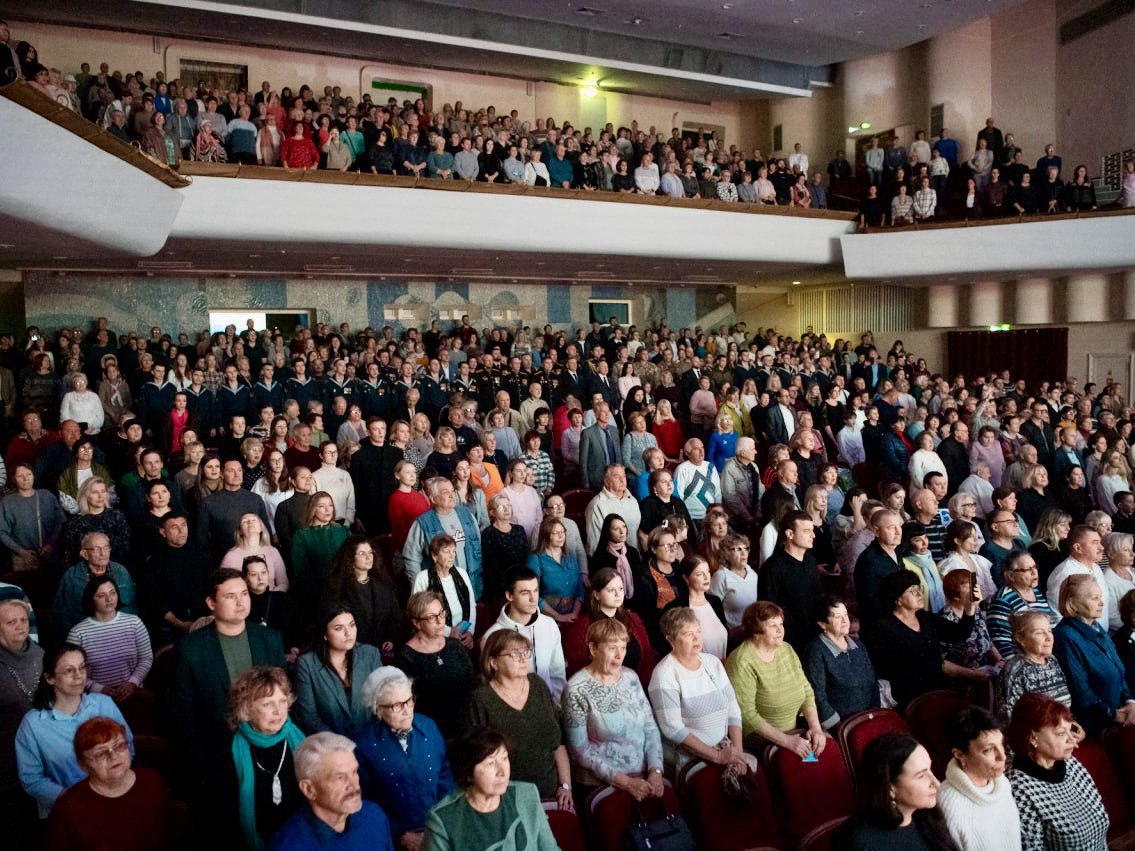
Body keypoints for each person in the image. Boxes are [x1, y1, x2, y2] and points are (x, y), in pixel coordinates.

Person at [172, 569, 285, 790]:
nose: (241, 602)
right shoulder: (190, 649)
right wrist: (204, 762)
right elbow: (182, 715)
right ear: (211, 603)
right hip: (219, 755)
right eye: (230, 596)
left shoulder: (270, 639)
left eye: (244, 593)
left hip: (269, 745)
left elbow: (281, 697)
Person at [15, 643, 133, 819]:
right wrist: (75, 800)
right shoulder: (32, 724)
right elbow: (31, 779)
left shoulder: (104, 704)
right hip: (66, 809)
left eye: (82, 667)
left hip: (113, 797)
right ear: (49, 678)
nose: (79, 676)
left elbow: (128, 748)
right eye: (69, 671)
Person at [353, 667, 457, 848]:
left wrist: (443, 823)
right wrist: (400, 834)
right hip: (396, 839)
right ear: (378, 710)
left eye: (409, 701)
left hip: (440, 830)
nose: (407, 710)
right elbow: (364, 802)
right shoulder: (364, 745)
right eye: (396, 705)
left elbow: (445, 776)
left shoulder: (428, 726)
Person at [562, 618, 665, 800]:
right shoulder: (576, 688)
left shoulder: (631, 677)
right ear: (593, 649)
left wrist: (655, 770)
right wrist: (626, 783)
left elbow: (650, 727)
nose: (619, 655)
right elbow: (580, 750)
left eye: (623, 647)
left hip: (644, 779)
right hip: (602, 787)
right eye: (612, 648)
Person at [467, 631, 573, 806]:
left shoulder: (538, 685)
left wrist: (565, 785)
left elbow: (557, 742)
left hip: (551, 793)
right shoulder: (481, 699)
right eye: (514, 654)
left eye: (526, 652)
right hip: (507, 800)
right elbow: (476, 759)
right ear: (493, 662)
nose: (523, 658)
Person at [44, 717, 173, 851]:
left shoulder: (152, 781)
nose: (114, 756)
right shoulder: (69, 807)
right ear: (84, 765)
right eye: (100, 753)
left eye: (119, 746)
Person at [648, 607, 750, 774]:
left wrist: (738, 754)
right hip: (692, 758)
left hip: (725, 747)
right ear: (672, 640)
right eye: (688, 634)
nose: (697, 638)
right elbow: (673, 729)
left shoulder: (712, 663)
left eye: (698, 631)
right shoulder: (664, 674)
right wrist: (717, 757)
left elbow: (733, 711)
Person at [421, 726, 558, 850]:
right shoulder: (444, 820)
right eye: (490, 763)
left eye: (504, 758)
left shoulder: (526, 794)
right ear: (468, 772)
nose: (502, 772)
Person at [1005, 693, 1109, 850]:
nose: (1072, 740)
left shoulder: (1070, 763)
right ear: (1032, 737)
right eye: (1061, 733)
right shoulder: (1019, 789)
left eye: (1070, 730)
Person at [870, 570, 987, 709]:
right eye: (913, 591)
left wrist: (970, 608)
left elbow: (958, 634)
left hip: (937, 691)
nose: (920, 594)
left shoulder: (924, 617)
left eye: (919, 589)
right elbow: (884, 670)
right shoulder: (883, 629)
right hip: (908, 700)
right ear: (898, 599)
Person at [726, 600, 826, 755]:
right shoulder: (741, 661)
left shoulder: (786, 649)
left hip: (796, 732)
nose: (781, 630)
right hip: (765, 742)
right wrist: (788, 741)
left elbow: (807, 691)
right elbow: (746, 715)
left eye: (781, 624)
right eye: (773, 626)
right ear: (756, 633)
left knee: (823, 757)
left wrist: (816, 728)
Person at [266, 732, 395, 850]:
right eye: (340, 778)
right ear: (309, 789)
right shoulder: (286, 846)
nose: (354, 784)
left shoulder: (375, 817)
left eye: (354, 772)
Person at [227, 666, 307, 849]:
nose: (278, 711)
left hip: (302, 838)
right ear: (246, 709)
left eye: (282, 701)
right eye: (267, 704)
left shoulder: (303, 739)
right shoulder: (227, 754)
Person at [835, 733, 959, 850]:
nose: (936, 783)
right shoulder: (860, 842)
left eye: (930, 770)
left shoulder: (928, 816)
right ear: (889, 788)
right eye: (921, 776)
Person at [1052, 574, 1135, 737]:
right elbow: (1080, 691)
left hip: (1120, 716)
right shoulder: (1065, 637)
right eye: (1094, 598)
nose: (1101, 603)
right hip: (1097, 727)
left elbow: (1119, 672)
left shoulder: (1097, 628)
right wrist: (1116, 715)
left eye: (1100, 597)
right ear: (1073, 603)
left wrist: (1130, 701)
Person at [935, 707, 1021, 850]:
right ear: (960, 755)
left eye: (1001, 744)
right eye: (989, 749)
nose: (1003, 756)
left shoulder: (1002, 783)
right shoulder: (947, 805)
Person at [395, 592, 476, 738]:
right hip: (430, 732)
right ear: (417, 623)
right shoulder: (406, 658)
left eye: (441, 613)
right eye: (432, 617)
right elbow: (409, 704)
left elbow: (472, 684)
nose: (440, 621)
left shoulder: (455, 646)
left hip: (465, 726)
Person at [294, 608, 383, 738]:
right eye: (339, 628)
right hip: (329, 747)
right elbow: (308, 718)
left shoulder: (370, 654)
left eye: (352, 625)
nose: (349, 633)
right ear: (325, 634)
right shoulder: (306, 664)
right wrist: (341, 745)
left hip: (369, 742)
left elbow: (381, 703)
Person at [66, 576, 152, 701]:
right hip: (95, 698)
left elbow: (146, 658)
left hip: (132, 693)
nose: (109, 599)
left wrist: (133, 682)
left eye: (113, 593)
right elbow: (71, 670)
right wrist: (97, 688)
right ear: (91, 599)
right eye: (101, 595)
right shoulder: (78, 633)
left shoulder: (134, 623)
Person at [804, 597, 879, 730]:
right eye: (838, 617)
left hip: (869, 719)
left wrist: (875, 714)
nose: (845, 621)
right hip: (842, 726)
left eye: (846, 614)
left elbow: (873, 682)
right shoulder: (816, 651)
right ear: (822, 624)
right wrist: (839, 727)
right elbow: (817, 695)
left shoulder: (858, 644)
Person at [402, 478, 484, 598]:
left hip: (471, 585)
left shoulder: (467, 515)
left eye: (453, 491)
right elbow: (411, 559)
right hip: (439, 591)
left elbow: (478, 545)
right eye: (446, 492)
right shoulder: (423, 523)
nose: (452, 495)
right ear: (433, 499)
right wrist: (421, 590)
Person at [52, 532, 137, 641]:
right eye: (96, 549)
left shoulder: (121, 572)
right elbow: (60, 615)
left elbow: (132, 607)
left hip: (120, 634)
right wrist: (76, 640)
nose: (103, 553)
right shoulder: (72, 576)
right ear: (84, 554)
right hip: (86, 636)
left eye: (106, 548)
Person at [758, 511, 823, 652]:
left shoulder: (810, 561)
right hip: (787, 641)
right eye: (807, 531)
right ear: (790, 534)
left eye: (812, 531)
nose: (813, 535)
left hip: (813, 636)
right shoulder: (772, 568)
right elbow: (767, 610)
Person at [323, 537, 399, 654]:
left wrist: (390, 638)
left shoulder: (384, 584)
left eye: (370, 553)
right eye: (362, 553)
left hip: (382, 649)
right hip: (352, 650)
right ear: (350, 558)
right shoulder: (338, 588)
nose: (368, 558)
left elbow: (394, 615)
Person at [998, 611, 1073, 722]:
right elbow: (1010, 718)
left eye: (1049, 631)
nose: (1048, 637)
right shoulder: (1016, 669)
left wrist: (1071, 726)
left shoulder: (1052, 660)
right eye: (1039, 633)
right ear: (1020, 639)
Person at [987, 551, 1058, 658]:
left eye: (1035, 567)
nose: (1034, 573)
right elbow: (1002, 643)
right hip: (1021, 662)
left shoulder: (1037, 593)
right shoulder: (1003, 600)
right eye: (1027, 570)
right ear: (1011, 575)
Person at [410, 535, 476, 646]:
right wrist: (448, 632)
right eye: (446, 552)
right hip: (434, 637)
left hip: (464, 635)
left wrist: (470, 632)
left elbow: (472, 605)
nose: (452, 556)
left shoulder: (462, 573)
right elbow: (418, 613)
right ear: (434, 556)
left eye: (454, 551)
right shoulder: (423, 578)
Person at [221, 513, 289, 591]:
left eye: (254, 520)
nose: (250, 522)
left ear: (261, 528)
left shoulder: (272, 551)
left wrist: (271, 597)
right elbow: (224, 586)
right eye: (245, 521)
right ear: (240, 531)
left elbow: (284, 584)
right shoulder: (231, 556)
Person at [709, 533, 758, 629]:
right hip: (731, 632)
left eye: (746, 549)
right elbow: (713, 608)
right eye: (738, 549)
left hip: (751, 629)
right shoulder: (721, 576)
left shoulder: (753, 574)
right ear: (726, 554)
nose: (744, 553)